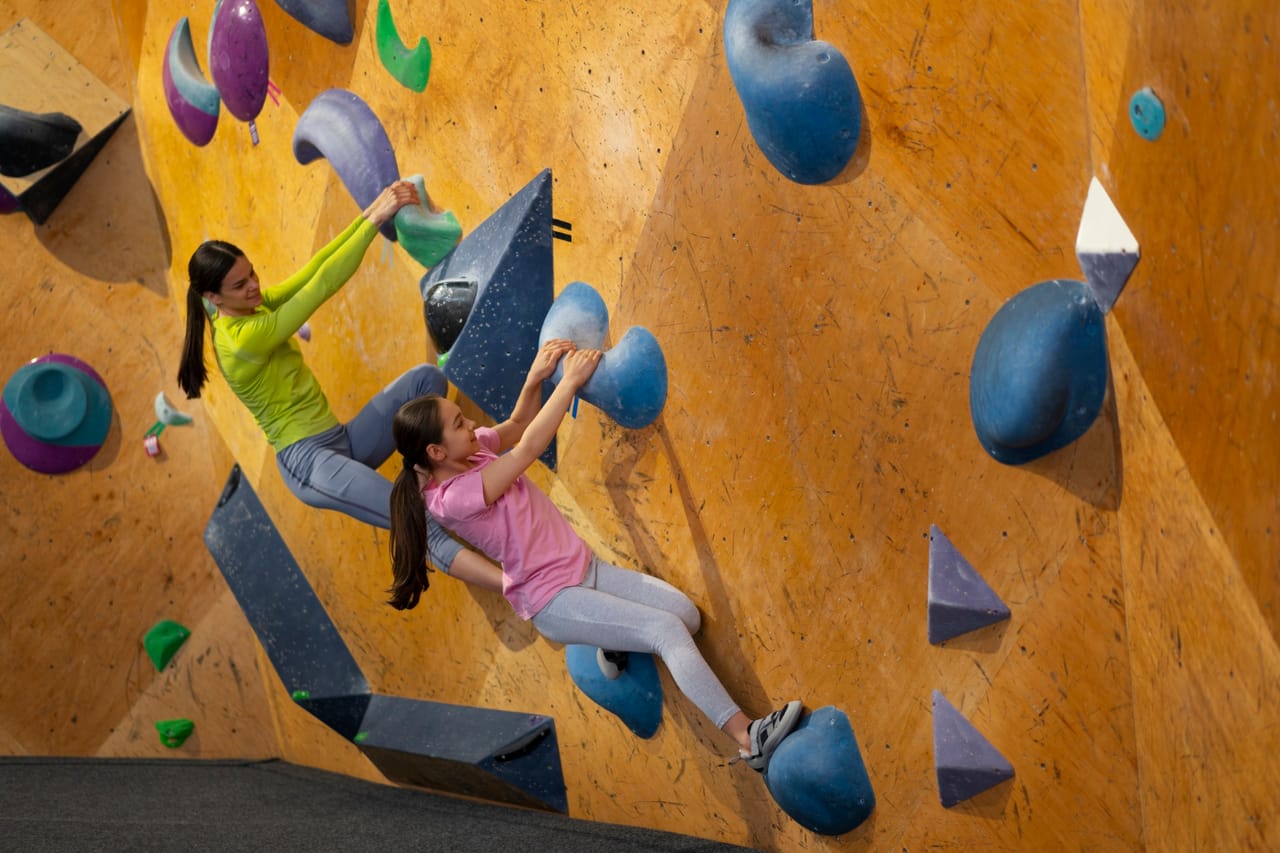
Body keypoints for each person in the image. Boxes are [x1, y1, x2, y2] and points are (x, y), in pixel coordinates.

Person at [388, 340, 803, 771]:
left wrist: (535, 377)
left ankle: (611, 641)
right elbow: (527, 449)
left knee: (687, 617)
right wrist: (567, 384)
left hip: (585, 568)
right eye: (458, 423)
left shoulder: (471, 451)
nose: (470, 422)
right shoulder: (453, 498)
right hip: (553, 596)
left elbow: (516, 424)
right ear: (436, 453)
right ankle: (748, 736)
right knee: (666, 630)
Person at [176, 179, 501, 590]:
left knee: (426, 382)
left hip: (341, 441)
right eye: (240, 285)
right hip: (311, 463)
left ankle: (425, 476)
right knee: (418, 525)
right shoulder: (242, 340)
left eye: (252, 273)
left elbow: (314, 268)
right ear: (213, 298)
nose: (254, 286)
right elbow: (324, 286)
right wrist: (375, 219)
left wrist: (368, 215)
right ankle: (517, 587)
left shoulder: (253, 306)